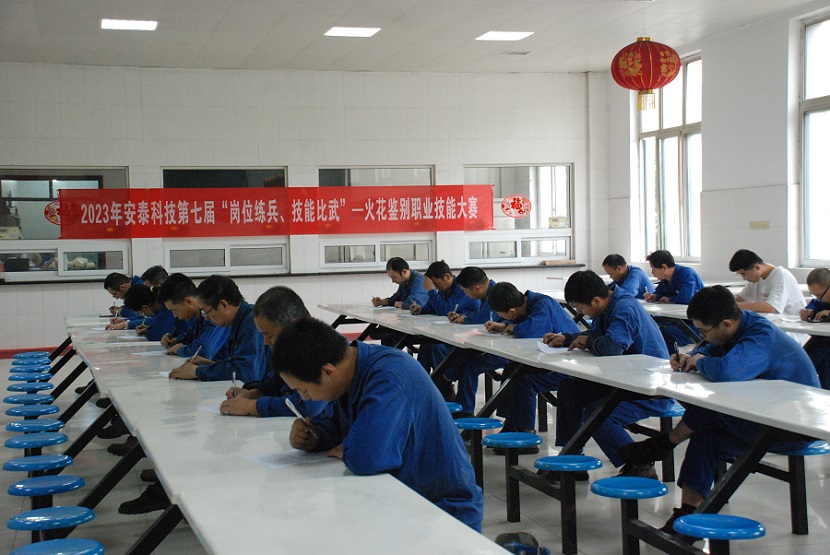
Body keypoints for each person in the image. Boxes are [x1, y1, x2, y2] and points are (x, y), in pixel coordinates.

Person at [618, 285, 820, 535]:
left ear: (726, 324)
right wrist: (693, 356)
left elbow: (727, 371)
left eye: (703, 331)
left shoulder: (761, 336)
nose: (701, 335)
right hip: (763, 415)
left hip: (793, 427)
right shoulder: (737, 325)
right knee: (705, 435)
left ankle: (663, 444)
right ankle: (687, 514)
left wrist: (701, 362)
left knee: (710, 414)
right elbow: (710, 348)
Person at [275, 318, 484, 531]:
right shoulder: (348, 376)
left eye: (304, 390)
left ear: (328, 372)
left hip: (443, 513)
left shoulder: (389, 377)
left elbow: (367, 458)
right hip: (402, 501)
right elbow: (336, 425)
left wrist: (351, 448)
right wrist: (315, 437)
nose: (305, 398)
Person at [540, 270, 673, 477]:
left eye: (580, 307)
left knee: (598, 415)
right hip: (622, 380)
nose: (581, 312)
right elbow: (597, 335)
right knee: (569, 388)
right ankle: (572, 456)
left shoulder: (624, 308)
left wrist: (589, 341)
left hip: (648, 389)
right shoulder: (606, 305)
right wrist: (567, 338)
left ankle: (640, 464)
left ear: (595, 300)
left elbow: (611, 347)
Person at [220, 286, 330, 419]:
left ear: (291, 326)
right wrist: (255, 393)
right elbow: (275, 382)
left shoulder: (320, 348)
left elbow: (308, 406)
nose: (265, 342)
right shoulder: (290, 347)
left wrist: (252, 407)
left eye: (269, 335)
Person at [168, 275, 267, 383]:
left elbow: (246, 372)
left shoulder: (252, 323)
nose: (206, 318)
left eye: (205, 312)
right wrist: (212, 365)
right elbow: (238, 364)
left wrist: (197, 372)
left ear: (223, 305)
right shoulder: (239, 320)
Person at [437, 266, 509, 410]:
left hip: (506, 350)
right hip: (495, 344)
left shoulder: (496, 294)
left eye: (466, 292)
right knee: (464, 356)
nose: (467, 295)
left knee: (467, 361)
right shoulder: (486, 293)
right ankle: (458, 401)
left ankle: (446, 384)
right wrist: (463, 317)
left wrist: (464, 319)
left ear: (476, 287)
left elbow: (484, 318)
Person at [410, 260, 479, 372]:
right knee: (426, 344)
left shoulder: (461, 288)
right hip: (451, 331)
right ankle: (423, 378)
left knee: (435, 346)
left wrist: (431, 290)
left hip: (467, 334)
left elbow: (444, 310)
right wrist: (421, 309)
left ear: (447, 277)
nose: (436, 287)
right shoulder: (444, 288)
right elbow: (433, 307)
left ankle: (444, 379)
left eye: (436, 284)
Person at [156, 273, 230, 361]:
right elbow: (192, 338)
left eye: (175, 310)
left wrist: (180, 350)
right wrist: (175, 340)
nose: (175, 315)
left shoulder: (212, 314)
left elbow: (204, 350)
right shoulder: (197, 317)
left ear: (188, 301)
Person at [643, 249, 704, 348]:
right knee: (650, 324)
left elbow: (685, 299)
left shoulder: (687, 274)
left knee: (663, 332)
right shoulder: (665, 280)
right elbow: (659, 292)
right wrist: (654, 296)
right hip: (674, 319)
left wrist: (669, 299)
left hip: (692, 323)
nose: (652, 272)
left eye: (653, 268)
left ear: (664, 267)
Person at [370, 257, 429, 347]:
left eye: (394, 277)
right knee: (385, 332)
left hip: (421, 325)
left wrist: (402, 304)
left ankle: (391, 354)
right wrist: (383, 302)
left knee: (390, 334)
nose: (393, 281)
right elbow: (396, 298)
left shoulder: (419, 281)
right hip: (409, 322)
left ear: (404, 272)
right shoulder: (404, 282)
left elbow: (413, 303)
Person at [729, 249, 805, 315]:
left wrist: (736, 306)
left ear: (757, 267)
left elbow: (771, 308)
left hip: (791, 324)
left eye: (744, 274)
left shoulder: (781, 275)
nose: (744, 278)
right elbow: (739, 299)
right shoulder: (755, 279)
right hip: (772, 323)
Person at [800, 268, 830, 389]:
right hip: (822, 339)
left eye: (819, 295)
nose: (818, 298)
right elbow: (816, 303)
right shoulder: (823, 298)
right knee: (803, 359)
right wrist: (809, 310)